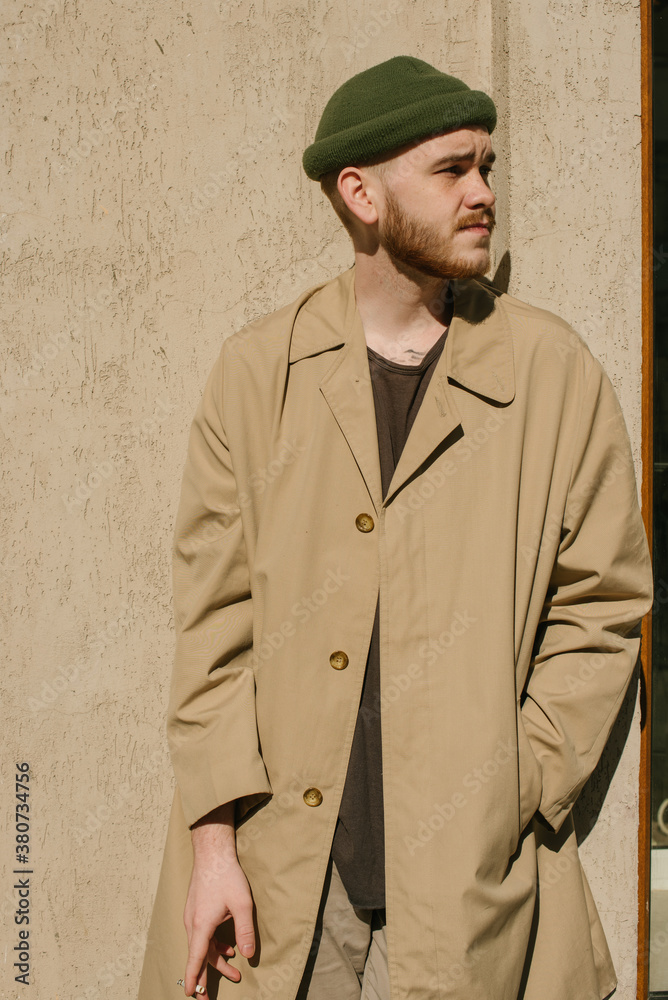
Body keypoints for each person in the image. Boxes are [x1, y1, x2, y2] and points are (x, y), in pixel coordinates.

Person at [138, 55, 654, 1000]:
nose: (483, 193)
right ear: (361, 193)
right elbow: (212, 633)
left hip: (472, 883)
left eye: (487, 168)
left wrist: (522, 775)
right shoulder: (260, 377)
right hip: (288, 877)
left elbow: (606, 600)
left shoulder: (553, 374)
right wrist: (213, 845)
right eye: (453, 170)